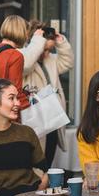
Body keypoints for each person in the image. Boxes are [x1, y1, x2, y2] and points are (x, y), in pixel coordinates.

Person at [20, 20, 74, 168]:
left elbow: (68, 62)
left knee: (47, 161)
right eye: (44, 49)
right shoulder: (24, 57)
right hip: (37, 118)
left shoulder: (50, 60)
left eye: (49, 50)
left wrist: (60, 41)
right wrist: (38, 44)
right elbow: (26, 65)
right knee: (36, 160)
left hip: (53, 117)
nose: (46, 53)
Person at [0, 15, 30, 109]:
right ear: (20, 32)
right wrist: (30, 107)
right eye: (26, 32)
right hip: (6, 111)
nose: (27, 36)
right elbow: (15, 90)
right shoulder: (16, 56)